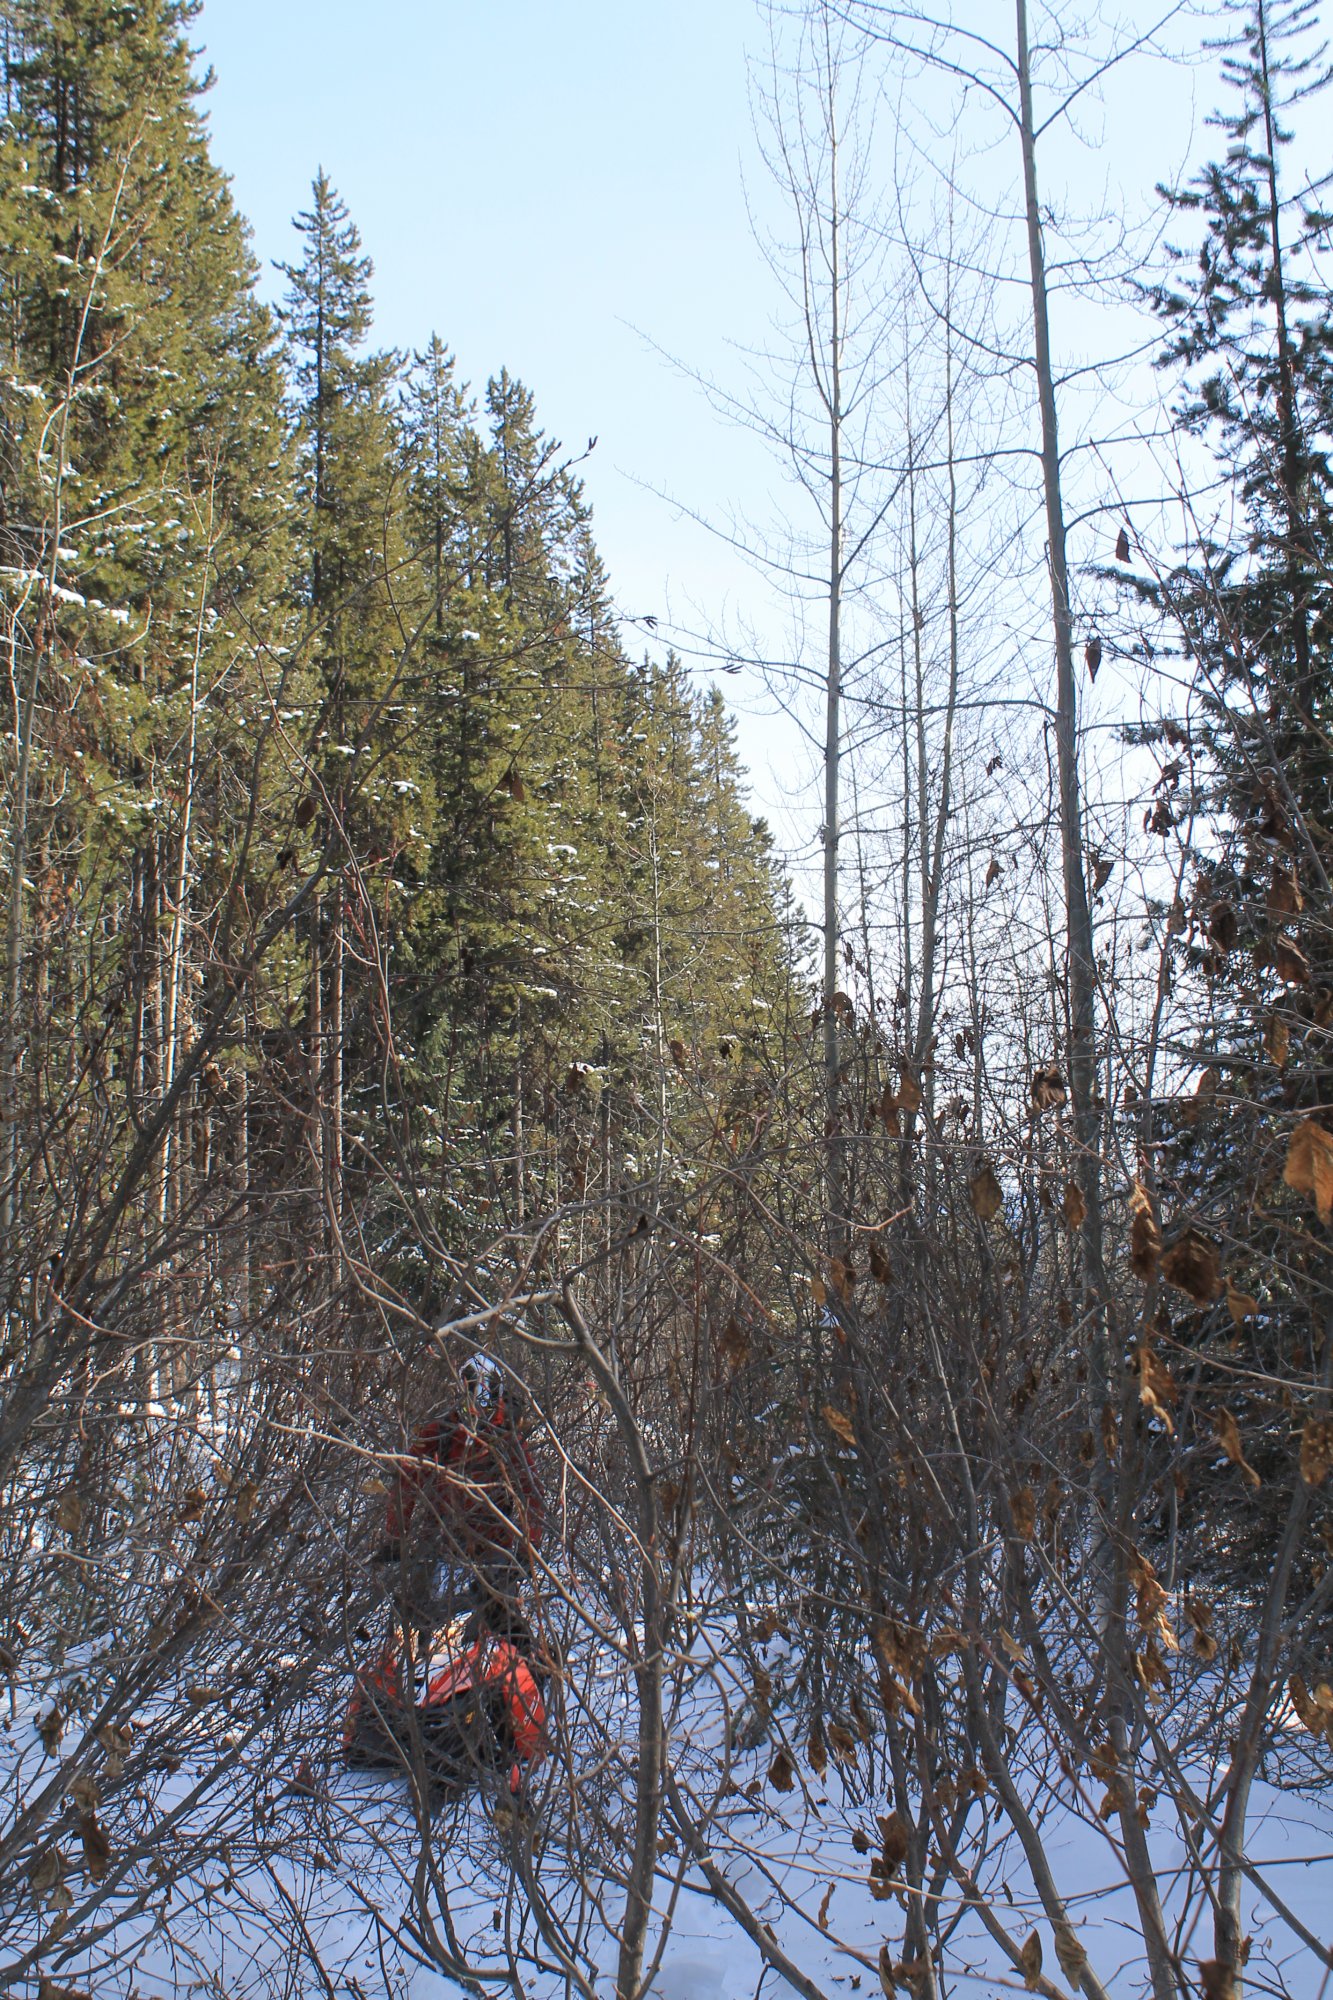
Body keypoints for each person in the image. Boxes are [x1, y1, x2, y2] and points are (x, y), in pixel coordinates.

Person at [375, 1356, 545, 1656]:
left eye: (484, 1405)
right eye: (470, 1401)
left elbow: (531, 1492)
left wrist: (527, 1548)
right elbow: (407, 1478)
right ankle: (413, 1653)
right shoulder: (444, 1429)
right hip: (444, 1533)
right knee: (414, 1603)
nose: (476, 1412)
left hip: (493, 1542)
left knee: (498, 1614)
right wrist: (395, 1535)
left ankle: (489, 1662)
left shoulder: (508, 1434)